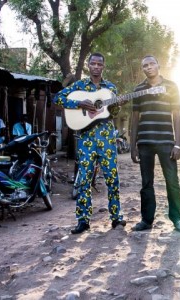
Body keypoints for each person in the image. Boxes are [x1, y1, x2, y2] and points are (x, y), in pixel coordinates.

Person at [53, 52, 126, 234]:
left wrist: (119, 104)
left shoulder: (110, 88)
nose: (96, 66)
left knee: (112, 178)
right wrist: (79, 104)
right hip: (86, 138)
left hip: (106, 136)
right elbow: (57, 98)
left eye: (99, 64)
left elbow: (114, 113)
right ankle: (83, 220)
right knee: (84, 179)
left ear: (103, 67)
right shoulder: (79, 86)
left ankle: (116, 218)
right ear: (88, 65)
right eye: (92, 63)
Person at [130, 55, 180, 233]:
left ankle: (176, 218)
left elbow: (176, 116)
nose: (148, 67)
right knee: (146, 183)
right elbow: (135, 119)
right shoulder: (138, 90)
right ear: (142, 69)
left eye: (151, 63)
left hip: (166, 142)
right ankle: (146, 220)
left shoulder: (171, 86)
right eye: (145, 65)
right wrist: (133, 146)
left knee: (172, 181)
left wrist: (177, 144)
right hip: (145, 142)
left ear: (158, 65)